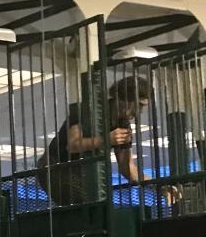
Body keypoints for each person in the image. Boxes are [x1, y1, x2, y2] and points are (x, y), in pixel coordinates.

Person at [36, 76, 177, 206]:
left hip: (79, 172)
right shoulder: (88, 110)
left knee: (98, 204)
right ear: (124, 99)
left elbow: (128, 169)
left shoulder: (123, 125)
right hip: (53, 167)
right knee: (90, 204)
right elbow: (72, 145)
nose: (139, 111)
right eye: (138, 105)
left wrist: (158, 186)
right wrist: (105, 140)